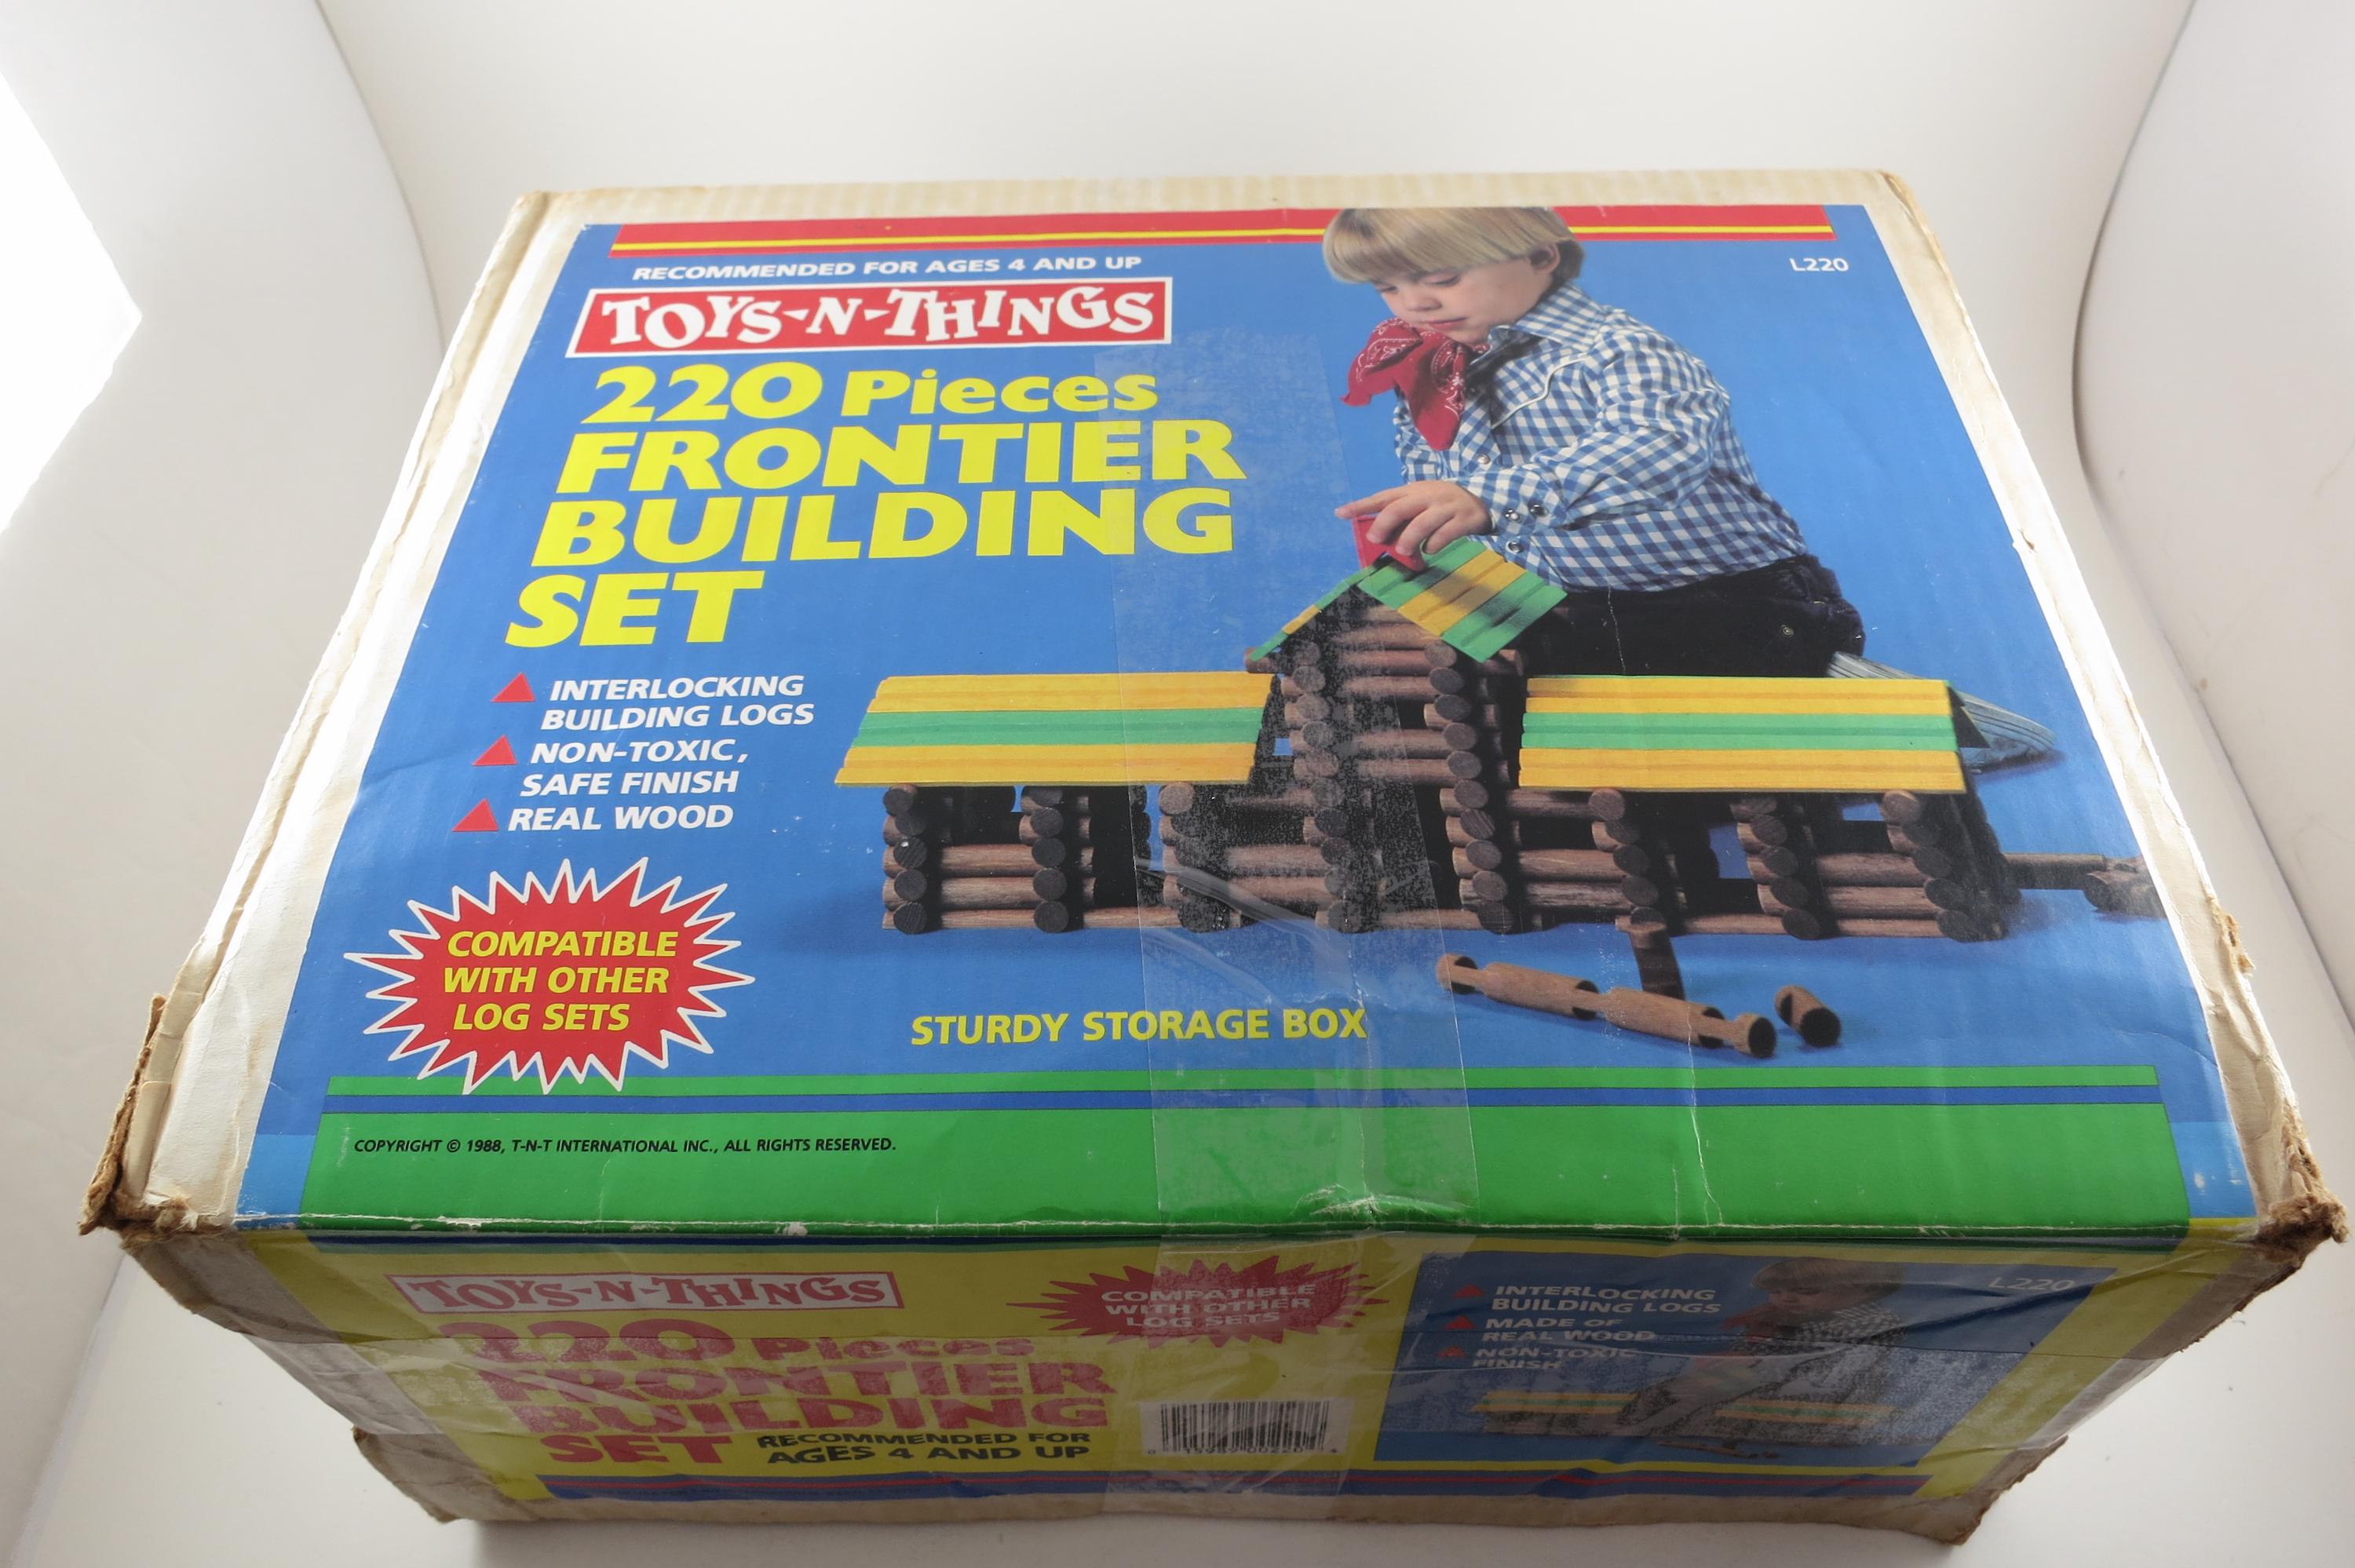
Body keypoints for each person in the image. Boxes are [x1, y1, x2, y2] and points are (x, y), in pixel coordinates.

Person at [1325, 205, 1864, 678]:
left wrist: (1484, 498)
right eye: (1387, 288)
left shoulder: (1620, 349)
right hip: (1572, 607)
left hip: (1734, 602)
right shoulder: (1435, 373)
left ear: (1541, 256)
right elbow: (1437, 492)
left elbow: (1657, 450)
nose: (1415, 304)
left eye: (1443, 279)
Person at [1614, 1257, 1907, 1444]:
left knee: (1702, 1393)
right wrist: (1741, 1357)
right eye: (1777, 1292)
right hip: (1773, 1374)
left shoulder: (1870, 1322)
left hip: (1819, 1385)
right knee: (1676, 1387)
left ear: (1865, 1290)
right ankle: (1642, 1423)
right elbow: (1759, 1348)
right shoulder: (1785, 1317)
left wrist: (1755, 1364)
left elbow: (1832, 1367)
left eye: (1807, 1292)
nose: (1787, 1299)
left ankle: (1655, 1428)